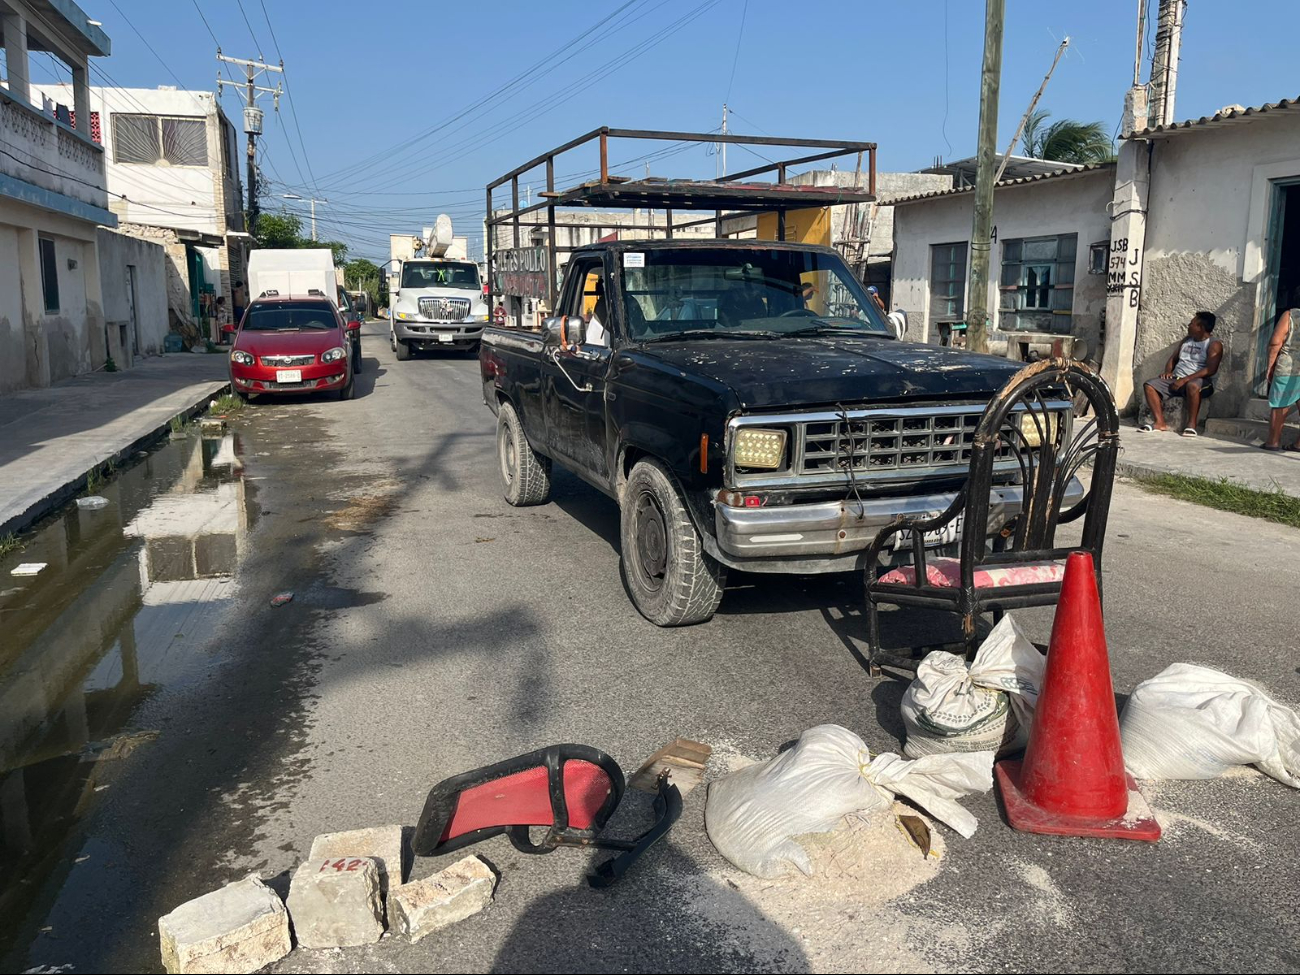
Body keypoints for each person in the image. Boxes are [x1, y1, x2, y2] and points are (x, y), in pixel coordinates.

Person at [1139, 311, 1223, 436]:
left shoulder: (1214, 344)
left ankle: (1191, 425)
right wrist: (1168, 372)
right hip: (1177, 378)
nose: (1188, 325)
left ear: (1201, 328)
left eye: (1192, 323)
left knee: (1193, 385)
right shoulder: (1187, 340)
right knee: (1149, 385)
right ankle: (1160, 422)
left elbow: (1210, 370)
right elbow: (1173, 359)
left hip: (1201, 382)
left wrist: (1185, 380)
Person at [1262, 302, 1300, 452]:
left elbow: (1275, 342)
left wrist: (1270, 366)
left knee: (1280, 404)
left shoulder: (1291, 315)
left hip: (1288, 366)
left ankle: (1273, 442)